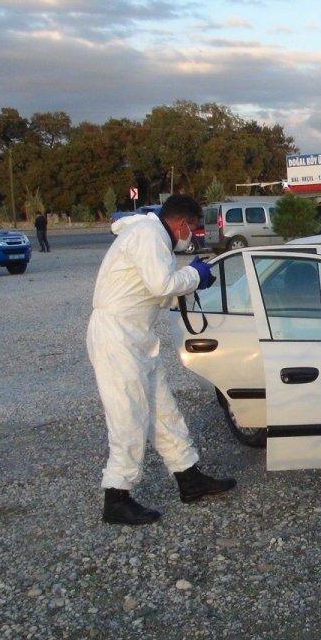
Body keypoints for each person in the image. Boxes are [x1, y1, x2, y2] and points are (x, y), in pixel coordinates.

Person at [87, 194, 234, 526]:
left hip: (136, 335)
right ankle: (117, 497)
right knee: (129, 416)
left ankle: (189, 478)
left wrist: (191, 282)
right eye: (193, 229)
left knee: (163, 410)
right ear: (182, 223)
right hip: (117, 337)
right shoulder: (148, 236)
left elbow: (158, 291)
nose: (192, 237)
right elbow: (162, 284)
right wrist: (194, 275)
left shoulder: (153, 239)